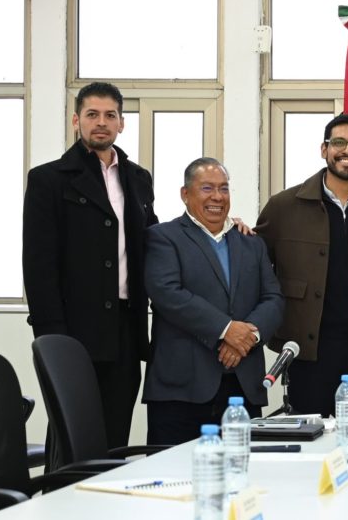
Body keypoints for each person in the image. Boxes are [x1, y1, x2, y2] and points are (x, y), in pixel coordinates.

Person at [23, 82, 158, 453]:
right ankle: (64, 494)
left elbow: (155, 240)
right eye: (92, 114)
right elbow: (38, 265)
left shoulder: (138, 179)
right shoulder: (48, 179)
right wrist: (52, 338)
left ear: (121, 123)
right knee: (71, 435)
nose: (101, 122)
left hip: (125, 329)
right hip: (72, 328)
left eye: (110, 115)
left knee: (115, 436)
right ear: (76, 121)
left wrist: (222, 228)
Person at [256, 113, 348, 417]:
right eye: (339, 142)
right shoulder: (283, 206)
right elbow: (255, 266)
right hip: (306, 352)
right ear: (324, 149)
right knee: (309, 436)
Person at [142, 158, 284, 445]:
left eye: (224, 188)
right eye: (207, 188)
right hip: (181, 393)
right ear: (185, 194)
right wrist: (226, 330)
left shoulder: (251, 242)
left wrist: (247, 337)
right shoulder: (163, 237)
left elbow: (273, 298)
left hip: (242, 388)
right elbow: (168, 294)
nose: (217, 197)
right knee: (171, 471)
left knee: (243, 469)